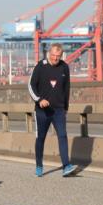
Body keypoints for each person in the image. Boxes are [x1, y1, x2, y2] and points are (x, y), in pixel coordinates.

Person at [28, 43, 78, 177]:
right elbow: (31, 86)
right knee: (40, 138)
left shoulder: (64, 67)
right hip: (42, 111)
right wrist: (39, 100)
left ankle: (66, 166)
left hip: (59, 110)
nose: (55, 58)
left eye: (58, 56)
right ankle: (39, 165)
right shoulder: (40, 66)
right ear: (49, 53)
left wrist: (66, 107)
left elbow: (67, 88)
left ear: (61, 55)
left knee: (62, 135)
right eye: (53, 55)